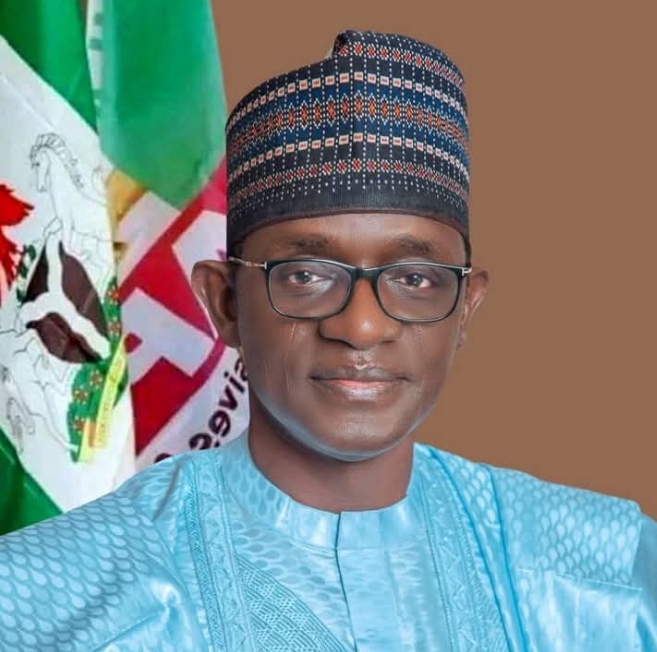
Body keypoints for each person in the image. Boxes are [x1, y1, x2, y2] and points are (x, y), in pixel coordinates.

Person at [0, 29, 655, 652]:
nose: (361, 326)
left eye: (414, 279)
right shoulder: (46, 596)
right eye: (307, 275)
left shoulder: (611, 573)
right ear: (226, 302)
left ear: (465, 309)